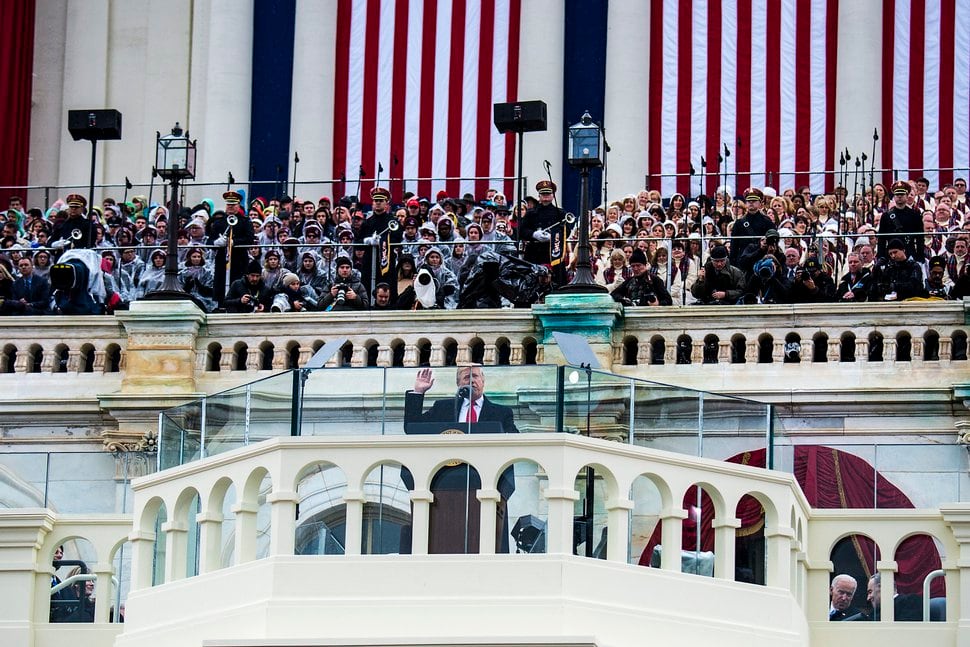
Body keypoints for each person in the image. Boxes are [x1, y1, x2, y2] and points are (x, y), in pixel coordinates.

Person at [403, 366, 518, 554]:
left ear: (483, 382)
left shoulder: (501, 412)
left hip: (484, 484)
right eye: (466, 377)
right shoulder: (444, 408)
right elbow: (412, 427)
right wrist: (418, 392)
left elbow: (514, 439)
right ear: (458, 384)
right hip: (445, 486)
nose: (471, 380)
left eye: (475, 376)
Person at [519, 180, 567, 281]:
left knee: (556, 281)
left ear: (553, 195)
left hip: (553, 253)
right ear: (539, 195)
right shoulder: (531, 213)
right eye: (543, 194)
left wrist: (552, 236)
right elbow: (522, 231)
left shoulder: (560, 213)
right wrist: (534, 234)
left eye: (548, 193)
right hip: (534, 253)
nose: (546, 196)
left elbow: (566, 231)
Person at [878, 181, 924, 263]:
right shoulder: (886, 216)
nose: (899, 197)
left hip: (909, 254)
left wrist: (919, 257)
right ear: (894, 197)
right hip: (891, 255)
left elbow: (920, 238)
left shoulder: (915, 215)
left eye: (902, 194)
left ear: (907, 196)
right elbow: (882, 239)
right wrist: (881, 257)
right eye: (897, 195)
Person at [729, 188, 774, 265]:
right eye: (748, 200)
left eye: (754, 200)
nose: (751, 202)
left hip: (762, 260)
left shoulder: (767, 221)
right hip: (744, 261)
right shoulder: (739, 223)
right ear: (745, 203)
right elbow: (734, 247)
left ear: (760, 204)